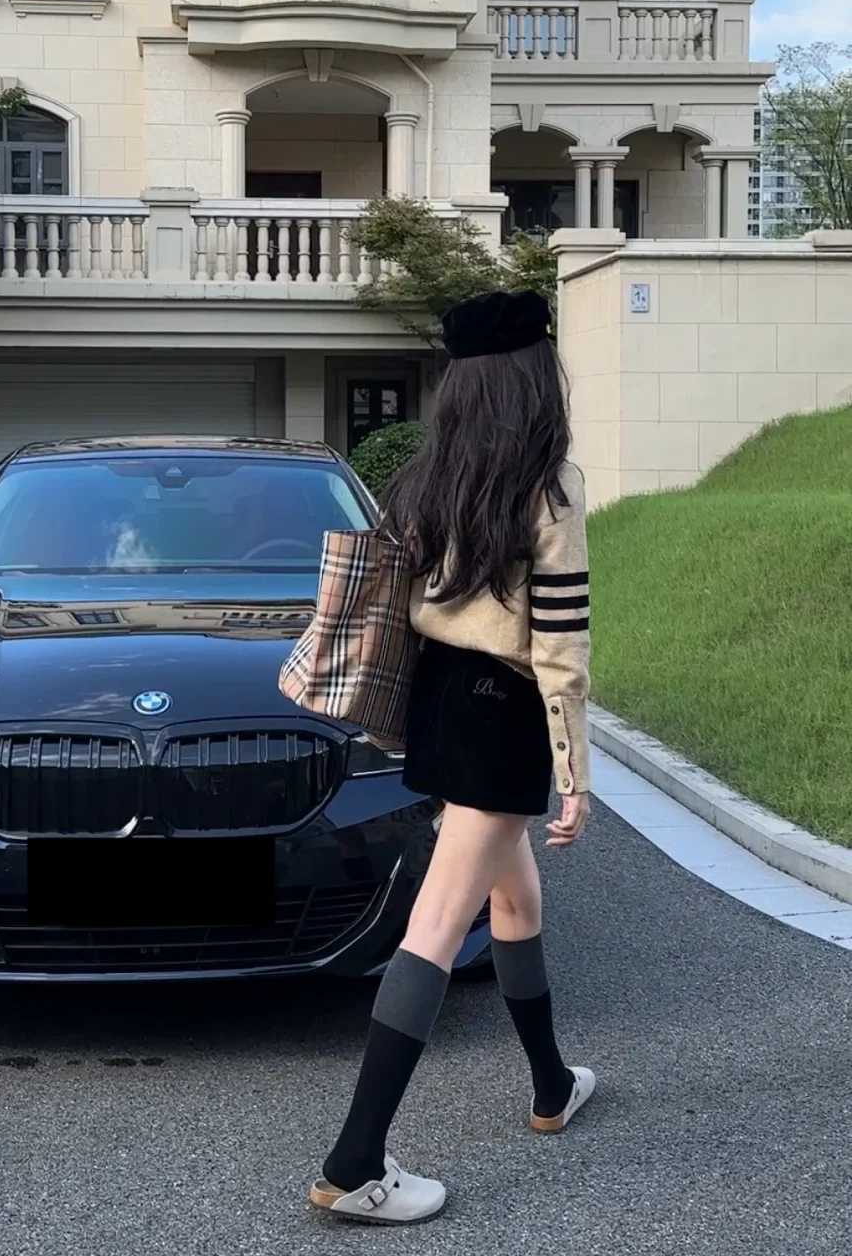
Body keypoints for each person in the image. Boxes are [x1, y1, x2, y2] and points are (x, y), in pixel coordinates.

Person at [309, 289, 594, 1224]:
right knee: (436, 923)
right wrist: (575, 773)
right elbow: (560, 645)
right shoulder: (549, 486)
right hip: (499, 712)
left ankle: (551, 1085)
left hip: (435, 701)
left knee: (514, 899)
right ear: (533, 377)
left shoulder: (426, 478)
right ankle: (355, 1163)